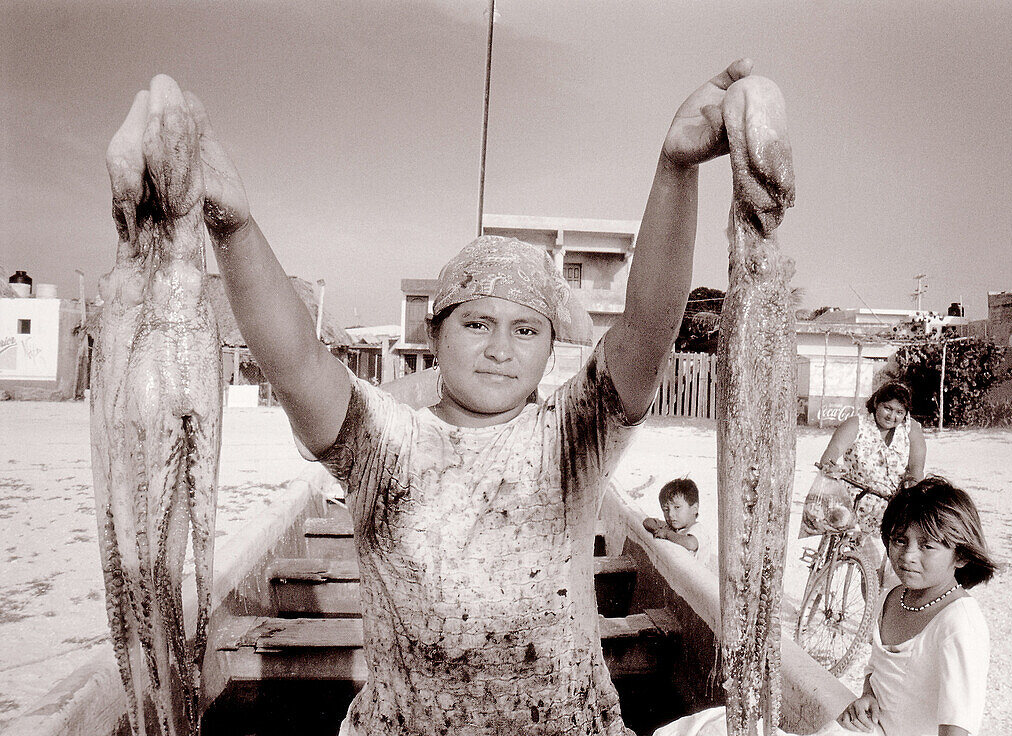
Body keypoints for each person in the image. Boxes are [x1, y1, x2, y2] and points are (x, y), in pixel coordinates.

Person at [139, 58, 790, 735]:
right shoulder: (382, 445)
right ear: (436, 332)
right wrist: (235, 229)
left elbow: (648, 325)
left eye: (525, 329)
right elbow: (297, 359)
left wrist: (674, 168)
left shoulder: (570, 438)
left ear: (548, 346)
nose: (501, 349)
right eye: (476, 324)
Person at [837, 476, 997, 736]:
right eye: (900, 540)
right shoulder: (893, 595)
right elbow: (877, 669)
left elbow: (957, 726)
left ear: (962, 555)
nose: (908, 556)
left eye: (927, 546)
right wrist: (868, 696)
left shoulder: (959, 623)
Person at [818, 381, 927, 572]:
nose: (892, 416)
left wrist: (912, 486)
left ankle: (873, 600)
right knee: (841, 562)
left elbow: (916, 470)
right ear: (877, 402)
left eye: (899, 412)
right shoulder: (856, 424)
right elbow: (833, 451)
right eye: (888, 408)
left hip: (891, 507)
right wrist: (830, 465)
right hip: (854, 504)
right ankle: (818, 590)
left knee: (881, 569)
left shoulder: (911, 430)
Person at [643, 478, 701, 553]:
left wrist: (667, 534)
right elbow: (647, 521)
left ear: (694, 509)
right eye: (666, 510)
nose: (670, 514)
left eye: (677, 507)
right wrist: (657, 529)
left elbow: (691, 544)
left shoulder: (698, 530)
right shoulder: (673, 527)